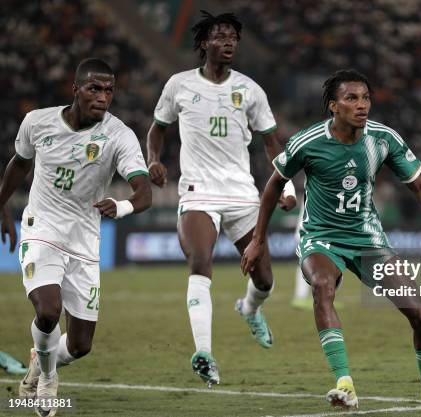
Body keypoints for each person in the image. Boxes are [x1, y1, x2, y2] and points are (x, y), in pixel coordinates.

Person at [242, 69, 421, 409]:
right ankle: (344, 383)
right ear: (334, 107)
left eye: (365, 97)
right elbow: (273, 186)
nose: (362, 104)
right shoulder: (307, 142)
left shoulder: (383, 139)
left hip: (368, 239)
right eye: (351, 98)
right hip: (321, 238)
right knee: (323, 286)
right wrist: (258, 239)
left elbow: (420, 188)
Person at [146, 11, 296, 387]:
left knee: (264, 280)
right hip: (198, 192)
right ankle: (205, 354)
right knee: (200, 262)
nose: (228, 42)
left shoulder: (250, 90)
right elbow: (157, 130)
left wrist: (288, 187)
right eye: (220, 36)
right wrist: (153, 159)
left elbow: (271, 145)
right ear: (203, 44)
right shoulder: (178, 85)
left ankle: (249, 309)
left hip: (242, 194)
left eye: (233, 37)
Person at [0, 58, 152, 417]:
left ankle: (40, 360)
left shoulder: (119, 135)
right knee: (48, 310)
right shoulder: (37, 122)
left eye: (109, 90)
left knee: (82, 344)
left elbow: (143, 192)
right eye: (94, 89)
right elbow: (19, 164)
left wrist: (123, 205)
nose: (102, 97)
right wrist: (2, 206)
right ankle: (47, 381)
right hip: (42, 228)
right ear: (76, 89)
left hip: (84, 239)